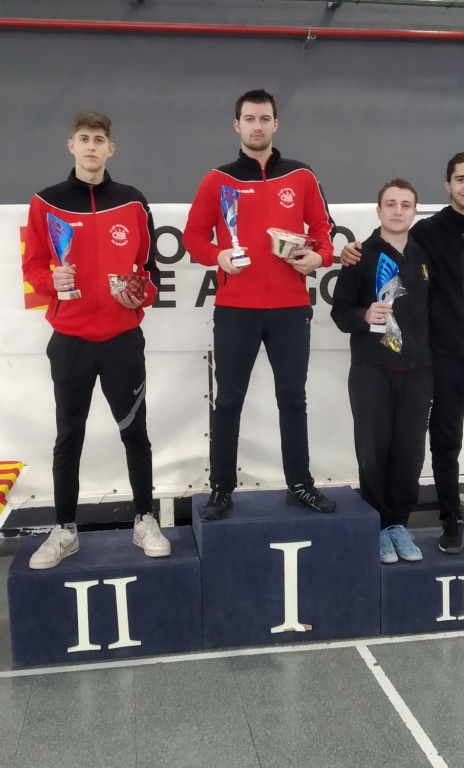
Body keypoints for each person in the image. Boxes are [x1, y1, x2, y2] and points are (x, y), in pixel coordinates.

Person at [340, 152, 464, 558]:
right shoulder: (426, 233)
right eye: (460, 178)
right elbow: (385, 252)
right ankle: (450, 519)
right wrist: (348, 252)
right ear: (447, 184)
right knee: (445, 444)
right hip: (441, 359)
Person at [22, 111, 169, 569]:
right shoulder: (46, 202)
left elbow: (150, 272)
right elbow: (32, 269)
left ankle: (144, 519)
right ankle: (65, 529)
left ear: (110, 149)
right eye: (83, 139)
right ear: (72, 146)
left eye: (99, 139)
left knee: (135, 433)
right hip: (70, 340)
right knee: (69, 436)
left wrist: (139, 292)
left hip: (122, 339)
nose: (91, 146)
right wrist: (50, 280)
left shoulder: (133, 202)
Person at [183, 89, 337, 520]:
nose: (257, 126)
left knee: (292, 398)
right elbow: (192, 236)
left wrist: (320, 258)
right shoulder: (218, 179)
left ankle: (300, 485)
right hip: (237, 309)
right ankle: (221, 489)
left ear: (275, 124)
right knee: (229, 400)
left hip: (291, 308)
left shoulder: (301, 176)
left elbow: (323, 232)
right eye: (249, 119)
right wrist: (217, 255)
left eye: (264, 118)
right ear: (237, 125)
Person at [331, 179, 433, 564]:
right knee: (373, 451)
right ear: (378, 211)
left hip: (419, 371)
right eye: (390, 204)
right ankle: (376, 526)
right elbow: (340, 313)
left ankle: (398, 525)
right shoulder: (360, 255)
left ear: (415, 211)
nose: (398, 211)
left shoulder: (426, 255)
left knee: (409, 452)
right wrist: (364, 315)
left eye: (406, 204)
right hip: (372, 370)